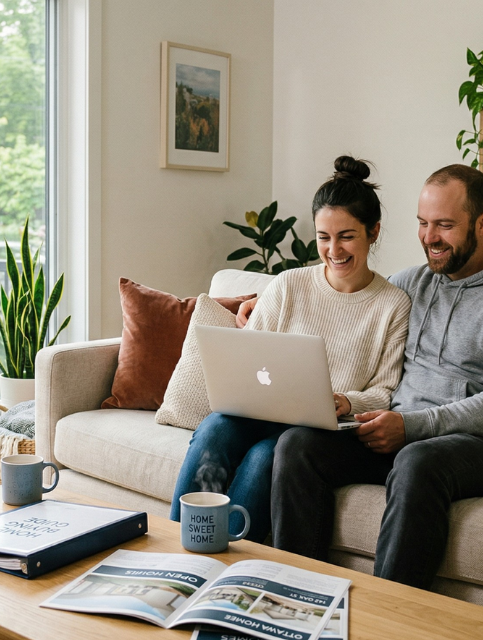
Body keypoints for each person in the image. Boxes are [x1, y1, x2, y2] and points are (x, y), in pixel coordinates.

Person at [238, 164, 483, 590]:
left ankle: (391, 618)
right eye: (423, 224)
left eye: (445, 225)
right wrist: (252, 304)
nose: (429, 238)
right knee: (298, 444)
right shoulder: (412, 284)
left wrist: (411, 427)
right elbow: (351, 292)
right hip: (400, 433)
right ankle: (299, 594)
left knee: (417, 460)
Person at [169, 156, 412, 543]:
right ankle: (178, 542)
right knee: (215, 427)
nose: (334, 250)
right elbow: (247, 356)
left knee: (269, 455)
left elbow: (385, 392)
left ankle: (229, 553)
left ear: (374, 232)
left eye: (347, 235)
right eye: (323, 237)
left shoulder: (393, 305)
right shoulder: (288, 284)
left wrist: (347, 402)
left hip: (319, 431)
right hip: (263, 411)